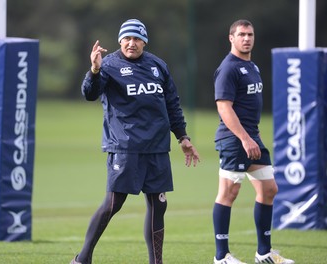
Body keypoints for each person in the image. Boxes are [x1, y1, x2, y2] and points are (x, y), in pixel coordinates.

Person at [70, 18, 200, 264]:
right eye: (127, 38)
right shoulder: (108, 65)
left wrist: (182, 136)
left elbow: (172, 104)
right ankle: (82, 259)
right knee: (112, 204)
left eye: (137, 38)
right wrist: (94, 70)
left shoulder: (157, 66)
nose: (132, 43)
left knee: (158, 205)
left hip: (157, 148)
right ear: (120, 41)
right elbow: (90, 94)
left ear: (144, 42)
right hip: (125, 146)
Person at [211, 19, 295, 264]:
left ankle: (264, 254)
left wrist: (251, 138)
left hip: (251, 138)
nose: (246, 38)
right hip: (234, 139)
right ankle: (221, 257)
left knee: (269, 190)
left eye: (250, 34)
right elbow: (224, 108)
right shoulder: (228, 68)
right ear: (231, 38)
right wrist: (245, 138)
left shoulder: (252, 66)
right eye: (241, 34)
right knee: (229, 192)